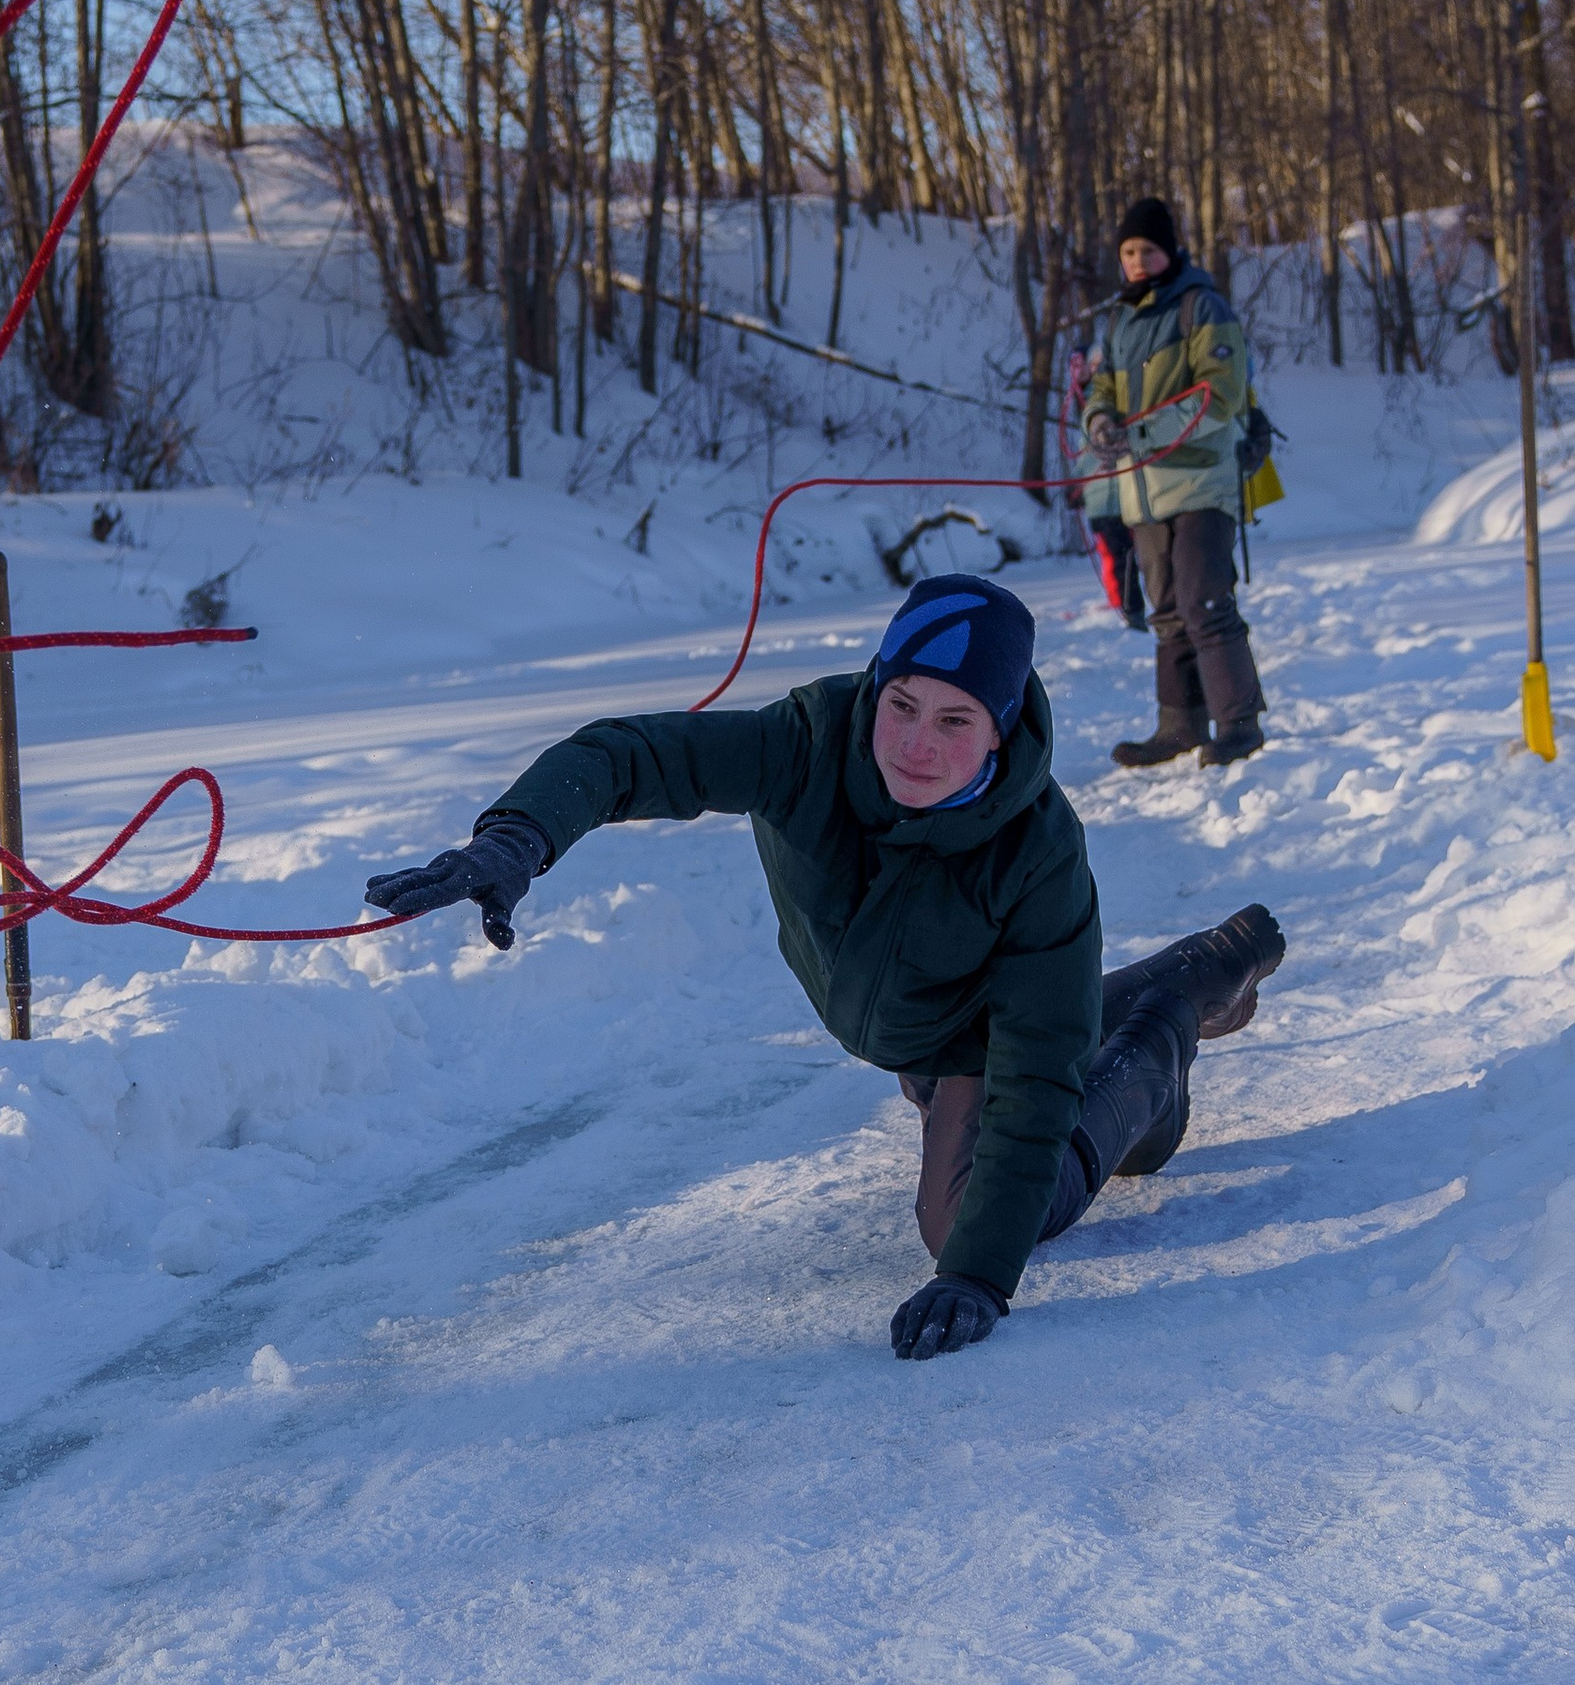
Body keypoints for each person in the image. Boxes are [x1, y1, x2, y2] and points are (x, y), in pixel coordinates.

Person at [363, 572, 1283, 1363]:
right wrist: (520, 837)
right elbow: (629, 756)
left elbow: (1040, 1067)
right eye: (903, 705)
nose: (918, 744)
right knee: (1034, 1038)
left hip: (974, 1037)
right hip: (915, 1024)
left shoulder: (1038, 852)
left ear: (1000, 732)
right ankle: (1179, 979)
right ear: (875, 689)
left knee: (970, 1213)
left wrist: (977, 1275)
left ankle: (1165, 1023)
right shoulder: (805, 743)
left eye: (957, 721)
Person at [1081, 196, 1266, 769]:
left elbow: (1220, 391)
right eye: (1129, 251)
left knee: (1203, 600)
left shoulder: (1202, 306)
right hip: (1141, 488)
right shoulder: (1117, 321)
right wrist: (1101, 423)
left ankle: (1238, 723)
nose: (1137, 261)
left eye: (1149, 250)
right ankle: (1179, 725)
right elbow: (1101, 391)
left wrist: (1141, 432)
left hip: (1202, 482)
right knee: (1164, 610)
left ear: (1171, 252)